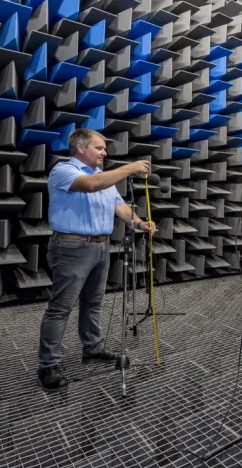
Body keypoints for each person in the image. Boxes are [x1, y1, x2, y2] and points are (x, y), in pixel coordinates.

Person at [38, 128, 158, 390]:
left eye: (105, 149)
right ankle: (48, 365)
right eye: (99, 148)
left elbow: (120, 207)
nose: (104, 153)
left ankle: (92, 348)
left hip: (101, 247)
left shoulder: (103, 177)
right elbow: (90, 185)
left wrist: (140, 223)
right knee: (61, 307)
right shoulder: (64, 170)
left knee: (93, 303)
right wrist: (131, 168)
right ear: (81, 147)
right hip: (72, 247)